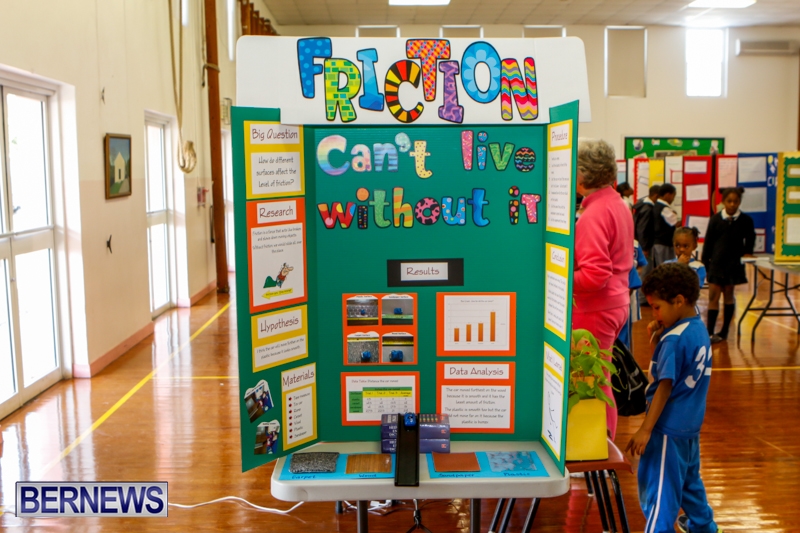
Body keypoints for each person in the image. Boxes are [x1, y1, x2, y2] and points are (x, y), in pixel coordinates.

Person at [627, 263, 720, 533]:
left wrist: (645, 430)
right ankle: (704, 527)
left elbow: (665, 386)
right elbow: (675, 371)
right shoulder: (696, 326)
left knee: (660, 493)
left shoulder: (674, 340)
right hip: (689, 427)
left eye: (657, 307)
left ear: (678, 301)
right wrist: (658, 340)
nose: (653, 313)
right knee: (690, 483)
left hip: (667, 428)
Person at [573, 138, 634, 440]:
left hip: (595, 307)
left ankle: (598, 443)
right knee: (601, 375)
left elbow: (595, 274)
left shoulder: (593, 214)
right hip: (616, 302)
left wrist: (560, 280)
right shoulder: (618, 204)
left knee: (592, 380)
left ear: (582, 175)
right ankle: (601, 442)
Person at [701, 187, 755, 343]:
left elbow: (750, 238)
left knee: (729, 294)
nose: (732, 204)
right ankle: (709, 332)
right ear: (723, 202)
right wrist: (705, 264)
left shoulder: (745, 220)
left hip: (733, 264)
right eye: (729, 201)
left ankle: (724, 331)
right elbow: (708, 243)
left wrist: (747, 252)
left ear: (739, 202)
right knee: (713, 296)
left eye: (735, 201)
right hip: (716, 263)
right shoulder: (716, 219)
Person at [652, 183, 679, 267]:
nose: (673, 199)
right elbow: (675, 223)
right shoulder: (664, 208)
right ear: (668, 195)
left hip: (658, 243)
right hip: (664, 244)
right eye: (673, 196)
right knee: (666, 267)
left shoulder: (656, 206)